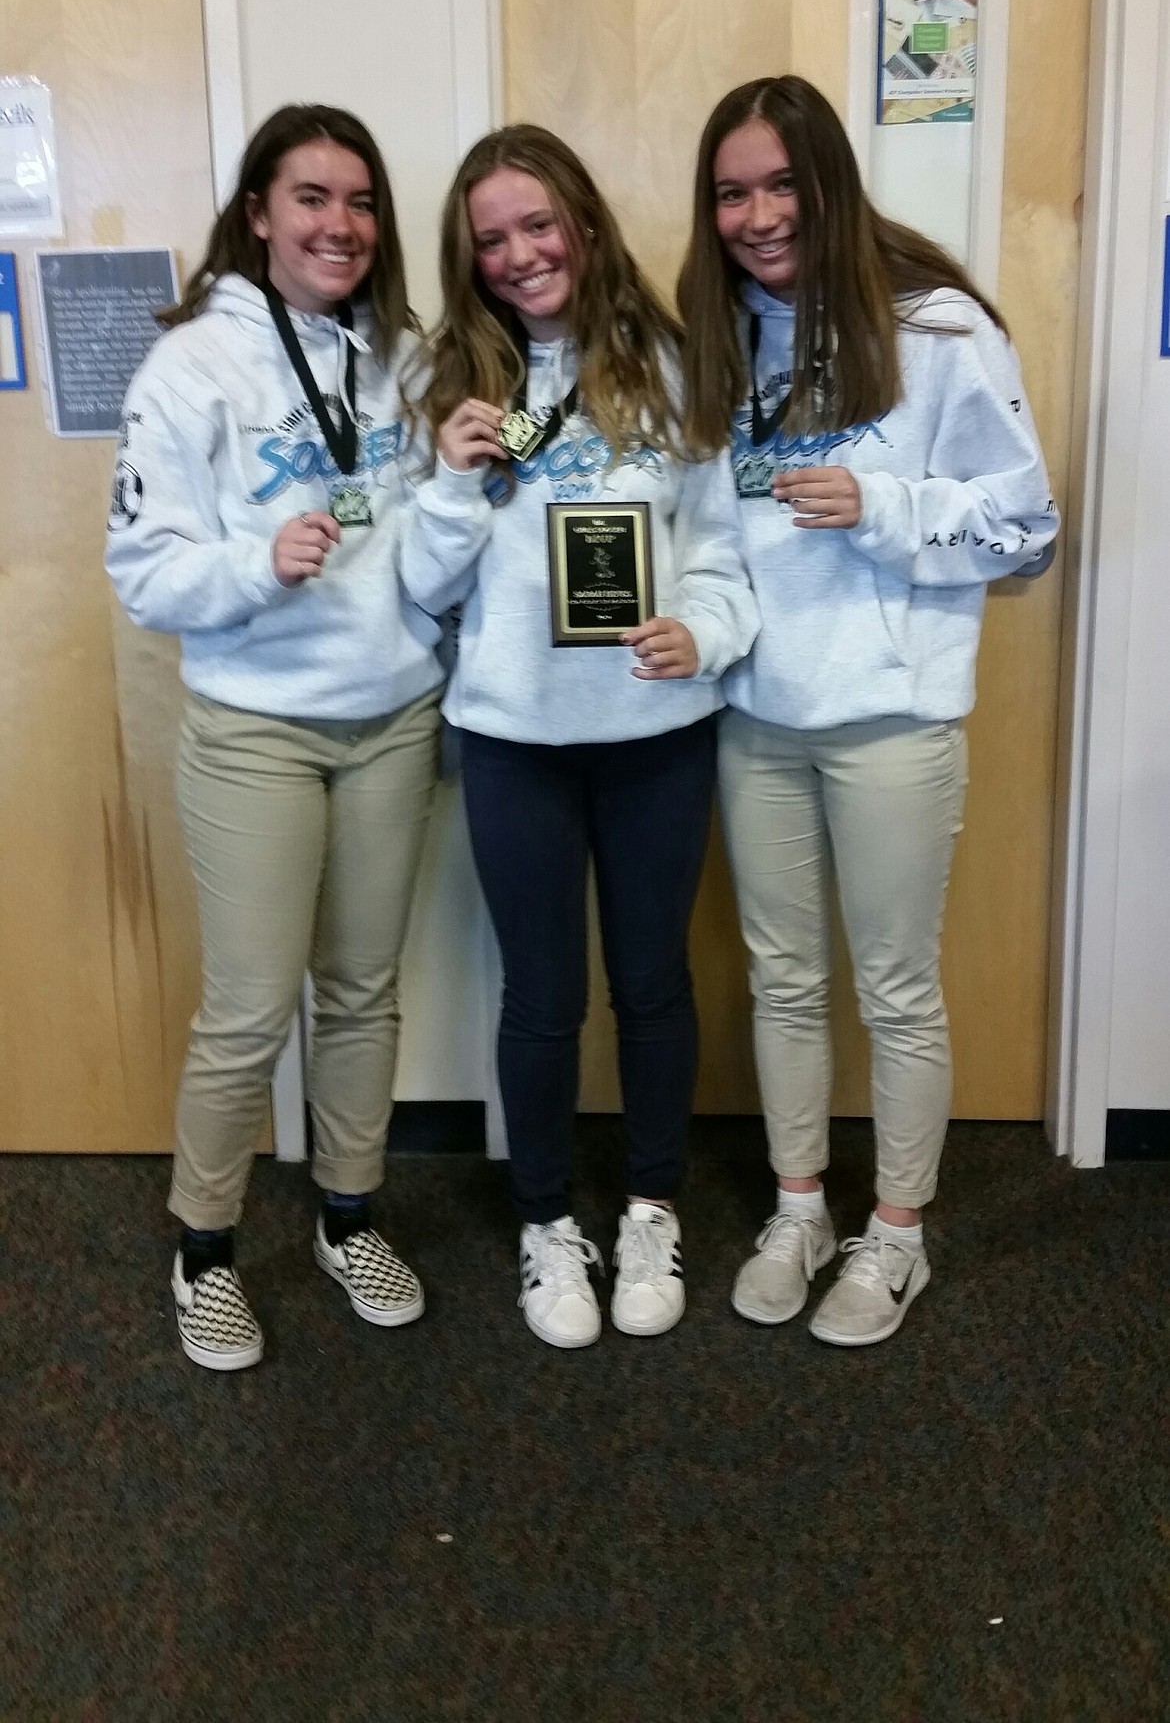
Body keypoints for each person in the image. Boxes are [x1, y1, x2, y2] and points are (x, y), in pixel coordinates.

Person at [678, 74, 1059, 1347]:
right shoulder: (716, 335)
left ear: (828, 183)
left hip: (893, 716)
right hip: (757, 714)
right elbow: (705, 532)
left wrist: (888, 509)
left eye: (782, 183)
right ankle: (798, 1207)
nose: (758, 214)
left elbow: (1029, 530)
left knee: (895, 984)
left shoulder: (937, 327)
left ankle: (896, 1235)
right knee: (783, 979)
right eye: (732, 191)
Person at [401, 124, 758, 1349]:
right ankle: (547, 1223)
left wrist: (701, 629)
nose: (518, 253)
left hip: (656, 725)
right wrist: (452, 482)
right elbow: (420, 585)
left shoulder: (671, 363)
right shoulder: (448, 381)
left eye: (538, 224)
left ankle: (652, 1205)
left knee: (653, 981)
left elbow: (719, 543)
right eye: (491, 238)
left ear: (588, 227)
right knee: (542, 995)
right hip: (514, 737)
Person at [106, 103, 443, 1372]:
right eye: (310, 198)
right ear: (258, 213)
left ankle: (348, 1216)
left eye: (360, 202)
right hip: (258, 731)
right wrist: (258, 561)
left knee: (361, 990)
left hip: (393, 718)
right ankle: (203, 1247)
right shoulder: (190, 365)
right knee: (249, 1009)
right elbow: (143, 571)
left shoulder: (402, 356)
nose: (339, 225)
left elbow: (454, 501)